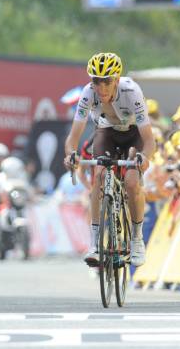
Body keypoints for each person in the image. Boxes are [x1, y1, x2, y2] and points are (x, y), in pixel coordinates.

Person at [63, 52, 156, 267]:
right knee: (99, 175)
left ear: (116, 79)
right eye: (96, 81)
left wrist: (145, 157)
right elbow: (73, 138)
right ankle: (96, 244)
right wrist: (71, 156)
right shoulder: (88, 93)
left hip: (134, 135)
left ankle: (136, 239)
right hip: (106, 133)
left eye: (106, 81)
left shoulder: (131, 91)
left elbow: (149, 140)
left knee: (132, 182)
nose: (101, 88)